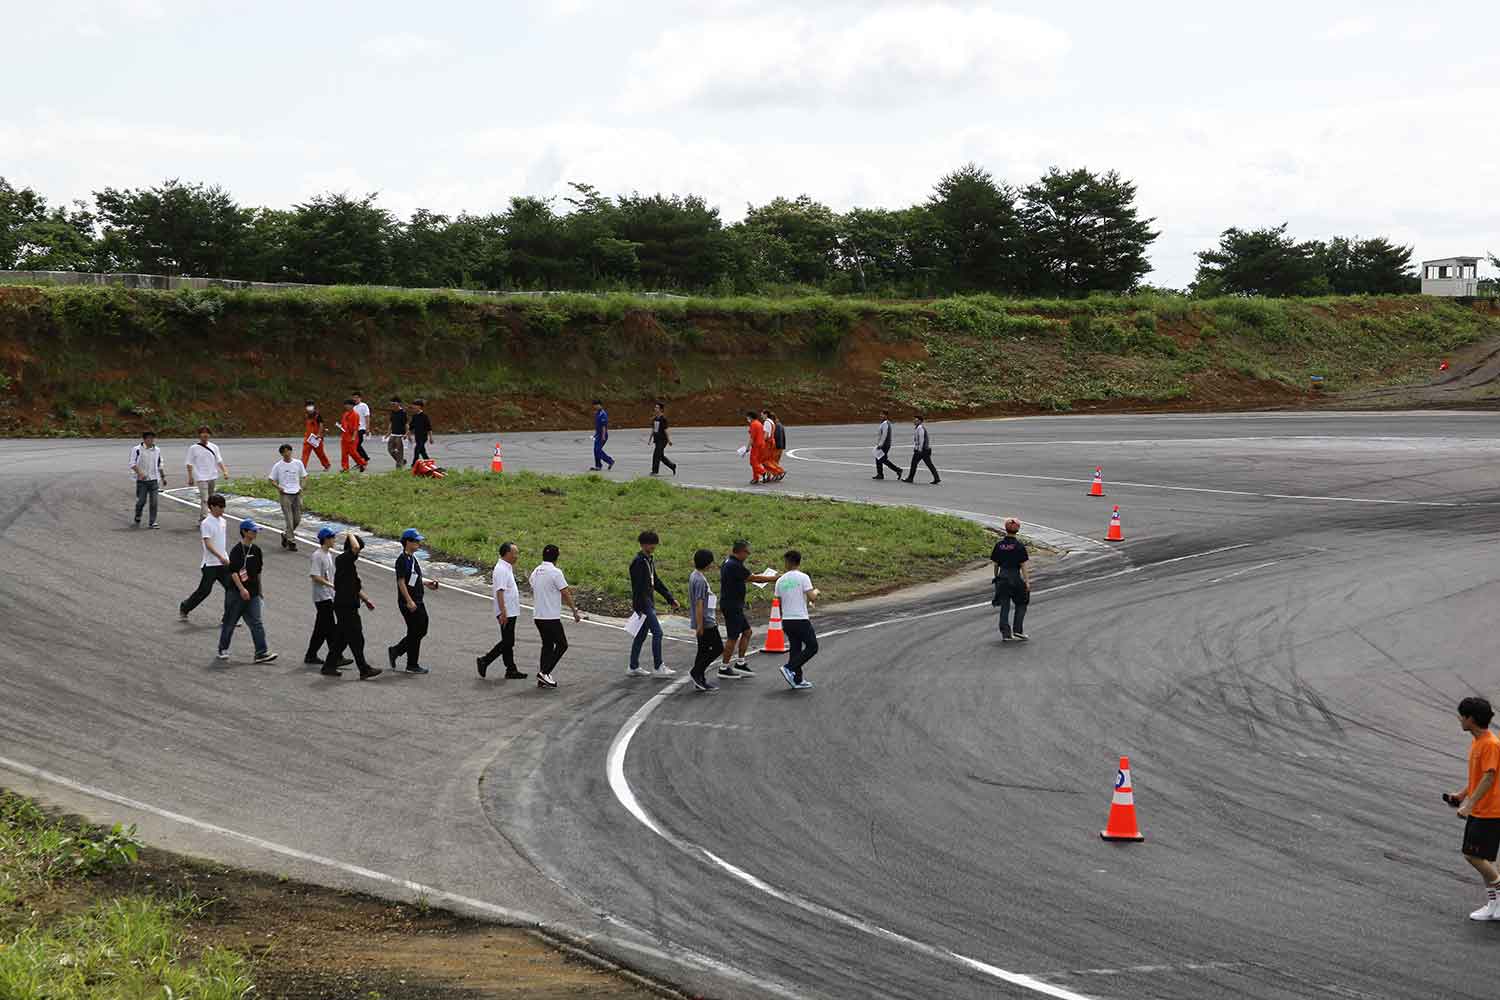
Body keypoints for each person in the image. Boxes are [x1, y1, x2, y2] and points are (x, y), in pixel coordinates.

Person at [1452, 696, 1500, 920]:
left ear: (1470, 719)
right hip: (1481, 809)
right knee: (1483, 858)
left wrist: (1468, 805)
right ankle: (1493, 905)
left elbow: (1489, 778)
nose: (1459, 719)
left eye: (1462, 715)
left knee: (1473, 856)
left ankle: (1499, 899)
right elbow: (1479, 777)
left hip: (1491, 810)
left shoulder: (1490, 744)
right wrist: (1461, 795)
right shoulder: (1478, 742)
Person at [322, 532, 382, 679]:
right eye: (359, 550)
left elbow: (353, 587)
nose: (359, 553)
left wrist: (366, 600)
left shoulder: (349, 565)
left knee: (342, 638)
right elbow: (354, 547)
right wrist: (350, 534)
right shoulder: (343, 559)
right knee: (356, 638)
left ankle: (329, 665)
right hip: (345, 607)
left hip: (347, 605)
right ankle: (364, 668)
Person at [218, 519, 277, 664]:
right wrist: (241, 589)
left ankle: (261, 653)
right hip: (236, 593)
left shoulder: (256, 551)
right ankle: (223, 648)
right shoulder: (237, 550)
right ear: (244, 531)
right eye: (253, 530)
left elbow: (258, 572)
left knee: (256, 622)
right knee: (230, 622)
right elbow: (233, 572)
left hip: (253, 593)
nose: (255, 533)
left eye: (256, 530)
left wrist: (260, 590)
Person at [718, 540, 778, 678]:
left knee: (747, 632)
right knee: (733, 637)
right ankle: (724, 667)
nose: (749, 554)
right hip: (732, 606)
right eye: (747, 551)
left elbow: (745, 578)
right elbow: (754, 578)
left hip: (733, 604)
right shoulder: (734, 565)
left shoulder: (728, 562)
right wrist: (774, 578)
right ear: (739, 551)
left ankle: (740, 663)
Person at [627, 530, 680, 677]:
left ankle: (633, 666)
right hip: (644, 604)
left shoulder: (648, 559)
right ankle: (658, 667)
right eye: (652, 544)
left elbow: (655, 581)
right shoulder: (638, 562)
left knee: (641, 635)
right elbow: (638, 587)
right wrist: (641, 607)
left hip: (648, 602)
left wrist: (670, 598)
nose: (654, 547)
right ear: (644, 544)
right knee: (658, 633)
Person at [529, 544, 581, 689]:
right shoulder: (556, 572)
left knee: (547, 645)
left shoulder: (536, 571)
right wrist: (574, 611)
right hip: (550, 616)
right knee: (562, 645)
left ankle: (543, 677)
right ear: (556, 557)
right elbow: (565, 592)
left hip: (538, 616)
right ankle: (544, 672)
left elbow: (533, 584)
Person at [389, 528, 439, 674]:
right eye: (416, 541)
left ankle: (396, 650)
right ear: (408, 542)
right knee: (415, 631)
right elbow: (401, 582)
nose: (419, 543)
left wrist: (427, 583)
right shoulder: (402, 560)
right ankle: (411, 664)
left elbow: (413, 578)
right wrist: (409, 601)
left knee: (421, 629)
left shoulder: (412, 558)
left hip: (418, 600)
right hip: (409, 602)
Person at [477, 541, 527, 679]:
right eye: (515, 553)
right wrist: (503, 612)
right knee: (508, 642)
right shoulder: (501, 569)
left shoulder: (507, 567)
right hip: (506, 611)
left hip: (510, 610)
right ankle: (485, 660)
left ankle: (510, 669)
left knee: (508, 641)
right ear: (507, 553)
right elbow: (500, 592)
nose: (517, 556)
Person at [180, 493, 231, 619]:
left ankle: (229, 617)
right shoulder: (206, 523)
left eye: (224, 507)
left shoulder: (223, 521)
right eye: (220, 507)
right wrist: (220, 557)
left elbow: (220, 542)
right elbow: (208, 544)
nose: (222, 510)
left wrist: (226, 558)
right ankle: (185, 607)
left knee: (231, 590)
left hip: (223, 563)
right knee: (204, 591)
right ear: (212, 507)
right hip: (210, 564)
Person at [304, 526, 349, 669]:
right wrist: (331, 585)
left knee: (322, 629)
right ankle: (336, 656)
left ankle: (312, 655)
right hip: (322, 597)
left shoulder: (328, 554)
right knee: (330, 628)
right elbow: (315, 576)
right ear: (326, 539)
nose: (334, 540)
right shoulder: (317, 555)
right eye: (333, 538)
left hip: (329, 595)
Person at [774, 550, 818, 690]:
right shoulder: (803, 577)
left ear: (788, 562)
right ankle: (789, 668)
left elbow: (779, 600)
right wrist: (816, 591)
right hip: (800, 618)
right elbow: (812, 598)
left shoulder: (780, 580)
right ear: (798, 562)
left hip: (787, 619)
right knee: (812, 646)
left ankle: (797, 679)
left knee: (796, 648)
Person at [990, 518, 1031, 641]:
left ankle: (1006, 634)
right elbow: (1023, 566)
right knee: (1022, 602)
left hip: (1002, 577)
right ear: (1018, 529)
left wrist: (996, 578)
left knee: (1005, 606)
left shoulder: (999, 545)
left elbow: (996, 564)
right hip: (1014, 577)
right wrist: (1027, 582)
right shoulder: (1019, 546)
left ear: (1005, 528)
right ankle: (1018, 630)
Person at [688, 549, 723, 693]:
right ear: (708, 563)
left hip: (703, 620)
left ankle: (700, 678)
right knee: (717, 648)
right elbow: (699, 603)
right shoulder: (700, 580)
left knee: (702, 650)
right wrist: (701, 625)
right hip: (706, 621)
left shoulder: (694, 575)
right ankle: (696, 671)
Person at [268, 444, 307, 551]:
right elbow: (271, 479)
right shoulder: (278, 466)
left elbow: (304, 476)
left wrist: (302, 487)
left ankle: (286, 535)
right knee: (289, 520)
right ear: (281, 454)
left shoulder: (298, 463)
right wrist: (278, 487)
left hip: (297, 493)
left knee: (297, 519)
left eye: (288, 451)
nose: (287, 454)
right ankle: (291, 541)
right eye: (284, 452)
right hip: (285, 494)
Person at [185, 426, 228, 518]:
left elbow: (219, 460)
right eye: (203, 433)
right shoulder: (193, 448)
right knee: (204, 499)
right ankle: (204, 518)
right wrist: (190, 477)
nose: (205, 435)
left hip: (212, 476)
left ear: (210, 435)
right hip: (201, 477)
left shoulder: (214, 447)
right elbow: (189, 463)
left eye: (207, 433)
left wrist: (224, 471)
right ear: (199, 435)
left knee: (211, 499)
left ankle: (209, 517)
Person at [129, 430, 166, 528]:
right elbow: (132, 463)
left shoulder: (157, 450)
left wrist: (163, 477)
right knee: (141, 501)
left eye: (152, 438)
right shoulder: (137, 449)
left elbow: (159, 463)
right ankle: (138, 515)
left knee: (154, 502)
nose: (151, 440)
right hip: (142, 481)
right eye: (149, 438)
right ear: (144, 439)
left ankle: (152, 522)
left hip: (154, 480)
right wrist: (140, 473)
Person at [903, 414, 940, 485]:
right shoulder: (918, 428)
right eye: (914, 420)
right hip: (924, 450)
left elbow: (921, 439)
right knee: (928, 464)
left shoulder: (920, 428)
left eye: (916, 420)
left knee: (914, 463)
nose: (914, 421)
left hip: (922, 450)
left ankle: (910, 478)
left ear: (920, 421)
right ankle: (936, 478)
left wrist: (919, 449)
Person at [872, 409, 903, 480]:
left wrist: (880, 444)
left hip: (884, 445)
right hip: (883, 444)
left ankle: (897, 470)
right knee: (880, 458)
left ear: (886, 416)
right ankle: (880, 474)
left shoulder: (885, 423)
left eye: (882, 414)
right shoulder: (883, 423)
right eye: (880, 414)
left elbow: (884, 435)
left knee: (881, 459)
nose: (881, 416)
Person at [648, 402, 677, 476]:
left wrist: (669, 440)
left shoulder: (663, 419)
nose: (655, 408)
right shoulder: (654, 418)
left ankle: (655, 471)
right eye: (655, 407)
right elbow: (653, 429)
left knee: (656, 455)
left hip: (663, 440)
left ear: (661, 409)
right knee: (660, 456)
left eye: (657, 407)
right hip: (657, 439)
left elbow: (665, 430)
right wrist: (650, 439)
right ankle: (672, 465)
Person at [302, 400, 331, 470]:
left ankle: (326, 465)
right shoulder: (307, 415)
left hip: (316, 438)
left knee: (320, 453)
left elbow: (321, 425)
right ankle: (302, 468)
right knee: (305, 453)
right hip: (308, 438)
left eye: (310, 406)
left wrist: (319, 434)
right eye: (307, 406)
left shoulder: (317, 415)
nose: (309, 408)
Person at [338, 399, 366, 473]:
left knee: (353, 452)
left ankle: (362, 463)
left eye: (347, 404)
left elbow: (356, 427)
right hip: (344, 436)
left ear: (352, 405)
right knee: (344, 453)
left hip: (352, 437)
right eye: (345, 405)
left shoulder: (355, 415)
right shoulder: (345, 414)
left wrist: (353, 437)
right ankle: (345, 468)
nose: (346, 406)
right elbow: (344, 425)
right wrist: (340, 426)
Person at [760, 409, 785, 481]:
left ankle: (779, 472)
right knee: (770, 460)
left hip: (770, 444)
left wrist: (761, 443)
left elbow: (766, 435)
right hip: (775, 444)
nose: (761, 416)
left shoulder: (767, 422)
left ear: (766, 414)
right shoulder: (773, 423)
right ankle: (774, 474)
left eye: (762, 414)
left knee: (765, 460)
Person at [591, 399, 614, 471]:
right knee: (595, 450)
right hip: (598, 435)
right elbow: (598, 425)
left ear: (599, 405)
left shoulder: (603, 414)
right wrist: (595, 435)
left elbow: (604, 426)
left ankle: (610, 461)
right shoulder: (597, 413)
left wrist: (603, 436)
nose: (594, 407)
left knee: (598, 450)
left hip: (602, 435)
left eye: (595, 405)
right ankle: (598, 466)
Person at [745, 411, 766, 484]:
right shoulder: (759, 423)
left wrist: (748, 447)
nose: (747, 419)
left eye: (747, 417)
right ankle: (755, 478)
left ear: (750, 417)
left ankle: (762, 472)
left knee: (753, 462)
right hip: (762, 444)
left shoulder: (753, 424)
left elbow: (752, 437)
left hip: (756, 445)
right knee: (756, 462)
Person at [387, 396, 409, 468]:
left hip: (400, 435)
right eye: (391, 403)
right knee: (390, 450)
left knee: (399, 452)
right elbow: (391, 423)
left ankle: (399, 467)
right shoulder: (392, 412)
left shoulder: (403, 412)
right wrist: (388, 432)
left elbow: (406, 424)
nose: (392, 404)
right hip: (393, 434)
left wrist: (406, 433)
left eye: (394, 403)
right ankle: (401, 461)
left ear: (398, 403)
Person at [352, 390, 372, 467]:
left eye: (357, 397)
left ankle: (363, 459)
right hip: (355, 429)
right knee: (355, 446)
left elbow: (367, 417)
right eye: (354, 397)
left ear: (360, 398)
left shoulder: (364, 406)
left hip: (362, 428)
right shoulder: (353, 407)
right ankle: (362, 459)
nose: (355, 399)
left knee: (357, 445)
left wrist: (367, 428)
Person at [410, 398, 433, 462]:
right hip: (417, 437)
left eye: (415, 405)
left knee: (417, 450)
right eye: (413, 405)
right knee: (422, 452)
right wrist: (407, 435)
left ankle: (413, 465)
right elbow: (411, 427)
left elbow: (429, 428)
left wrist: (431, 438)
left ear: (419, 406)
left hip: (423, 437)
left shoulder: (424, 416)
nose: (413, 407)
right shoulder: (414, 416)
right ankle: (429, 462)